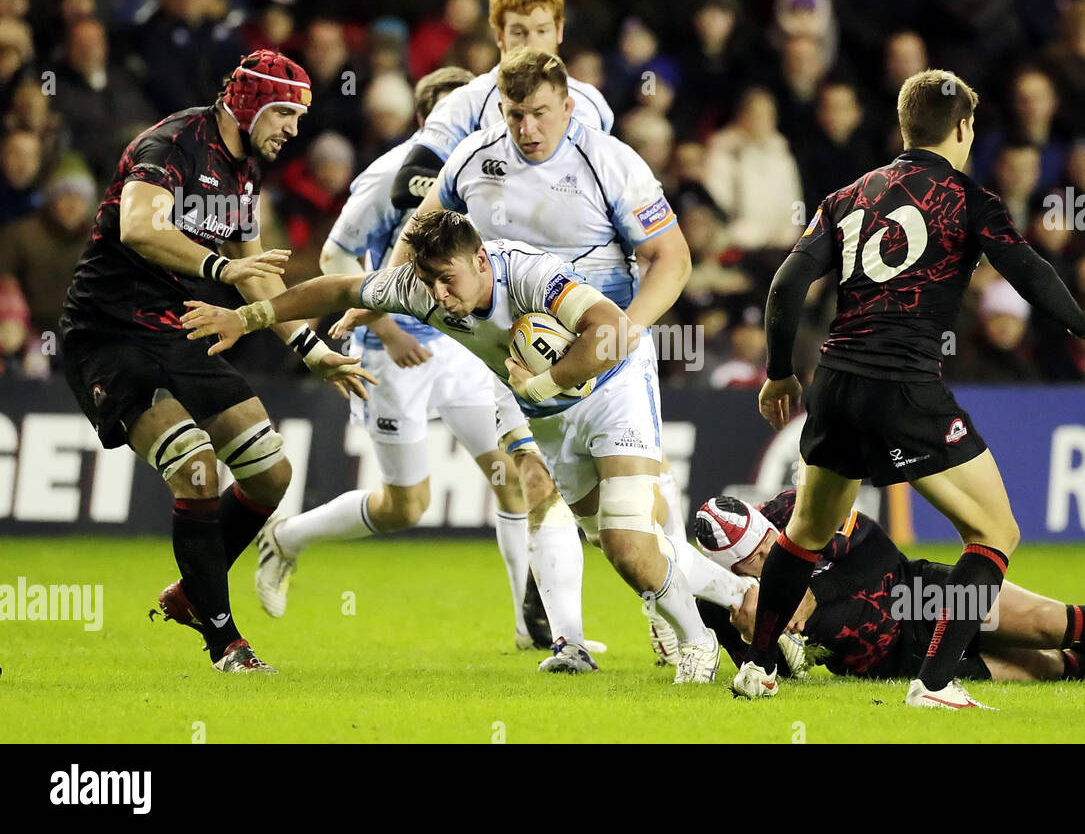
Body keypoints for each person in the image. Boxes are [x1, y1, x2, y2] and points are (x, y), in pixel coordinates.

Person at [182, 211, 723, 683]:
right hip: (550, 411)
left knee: (628, 538)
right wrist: (246, 316)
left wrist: (538, 384)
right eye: (427, 281)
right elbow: (338, 287)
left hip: (614, 386)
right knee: (615, 543)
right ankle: (739, 600)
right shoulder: (420, 288)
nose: (438, 294)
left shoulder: (530, 275)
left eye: (447, 278)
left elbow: (611, 330)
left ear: (482, 262)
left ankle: (696, 641)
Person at [734, 68, 1085, 707]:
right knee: (996, 533)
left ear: (905, 124)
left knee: (805, 533)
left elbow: (783, 286)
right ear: (964, 127)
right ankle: (936, 684)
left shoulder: (848, 196)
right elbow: (1025, 268)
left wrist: (780, 370)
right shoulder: (969, 199)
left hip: (834, 381)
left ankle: (757, 668)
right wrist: (1081, 322)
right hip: (903, 384)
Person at [393, 46, 752, 667]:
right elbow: (417, 238)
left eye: (538, 113)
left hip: (604, 358)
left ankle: (725, 605)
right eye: (512, 115)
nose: (525, 129)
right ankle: (576, 640)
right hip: (515, 364)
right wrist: (381, 300)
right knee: (554, 499)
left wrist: (628, 331)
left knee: (628, 528)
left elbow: (673, 258)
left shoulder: (610, 162)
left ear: (567, 104)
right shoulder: (475, 160)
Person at [253, 67, 600, 660]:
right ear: (423, 122)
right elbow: (337, 256)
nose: (461, 125)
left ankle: (533, 624)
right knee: (405, 506)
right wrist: (384, 327)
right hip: (396, 354)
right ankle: (287, 538)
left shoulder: (486, 171)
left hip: (463, 345)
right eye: (445, 116)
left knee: (515, 474)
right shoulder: (386, 177)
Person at [58, 50, 375, 675]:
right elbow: (139, 229)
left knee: (272, 475)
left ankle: (192, 591)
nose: (293, 128)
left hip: (180, 326)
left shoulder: (245, 171)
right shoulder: (170, 144)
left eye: (300, 117)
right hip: (109, 332)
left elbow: (256, 278)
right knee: (197, 471)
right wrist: (220, 269)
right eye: (284, 112)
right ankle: (225, 641)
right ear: (249, 101)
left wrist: (312, 351)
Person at [695, 489, 1085, 690]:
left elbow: (873, 548)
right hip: (891, 662)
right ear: (731, 568)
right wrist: (766, 657)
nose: (774, 560)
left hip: (915, 594)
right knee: (1045, 668)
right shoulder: (724, 598)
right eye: (757, 563)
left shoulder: (799, 510)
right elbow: (760, 664)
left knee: (1050, 621)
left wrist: (815, 597)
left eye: (770, 545)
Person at [389, 0, 613, 210]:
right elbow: (408, 184)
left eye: (542, 31)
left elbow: (604, 187)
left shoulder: (591, 103)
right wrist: (485, 188)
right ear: (498, 35)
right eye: (518, 32)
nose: (531, 43)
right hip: (488, 243)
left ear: (559, 30)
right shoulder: (468, 101)